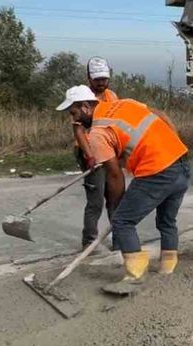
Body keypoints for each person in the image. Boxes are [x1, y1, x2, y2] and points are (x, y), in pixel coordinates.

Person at [57, 85, 190, 292]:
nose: (73, 119)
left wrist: (118, 207)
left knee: (123, 221)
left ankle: (136, 275)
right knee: (166, 220)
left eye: (74, 112)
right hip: (181, 162)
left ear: (85, 106)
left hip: (157, 172)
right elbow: (159, 115)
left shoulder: (98, 133)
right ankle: (167, 268)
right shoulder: (124, 103)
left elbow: (115, 175)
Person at [73, 57, 119, 249]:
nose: (101, 83)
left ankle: (120, 237)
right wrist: (89, 155)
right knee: (96, 200)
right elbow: (79, 131)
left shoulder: (112, 96)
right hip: (88, 151)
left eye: (104, 79)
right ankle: (89, 241)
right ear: (89, 78)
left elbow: (116, 124)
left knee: (115, 195)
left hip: (108, 149)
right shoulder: (82, 98)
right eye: (97, 79)